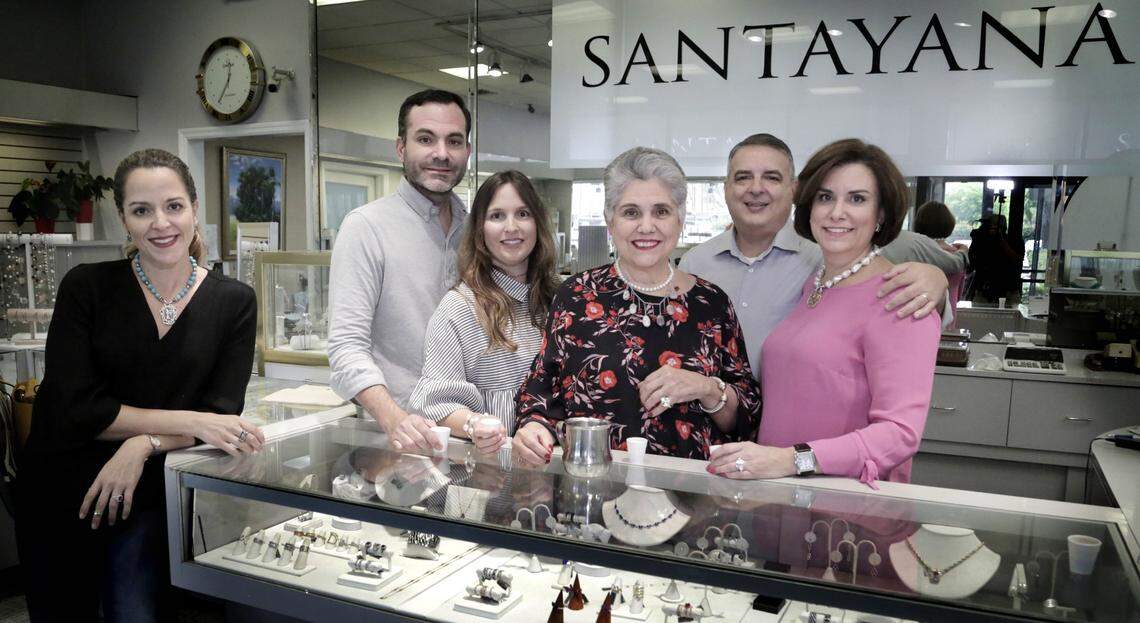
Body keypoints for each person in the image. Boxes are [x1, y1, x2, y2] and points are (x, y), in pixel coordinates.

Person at [15, 148, 264, 621]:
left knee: (138, 610)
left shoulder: (233, 301)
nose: (161, 223)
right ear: (124, 220)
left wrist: (141, 444)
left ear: (194, 208)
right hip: (61, 487)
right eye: (141, 210)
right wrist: (190, 421)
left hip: (150, 489)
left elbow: (222, 413)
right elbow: (75, 409)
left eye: (173, 206)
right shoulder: (86, 287)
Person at [709, 139, 940, 486]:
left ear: (881, 213)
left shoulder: (901, 298)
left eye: (857, 199)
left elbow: (900, 433)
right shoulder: (815, 283)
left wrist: (791, 459)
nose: (837, 212)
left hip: (844, 513)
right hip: (782, 491)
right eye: (826, 197)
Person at [513, 147, 761, 465]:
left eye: (661, 211)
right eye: (631, 212)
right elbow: (541, 384)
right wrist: (534, 427)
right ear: (610, 220)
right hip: (592, 491)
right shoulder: (576, 296)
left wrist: (707, 388)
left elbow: (747, 417)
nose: (646, 226)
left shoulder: (711, 304)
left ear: (680, 219)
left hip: (688, 498)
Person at [680, 134, 951, 377]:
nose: (755, 188)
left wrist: (936, 281)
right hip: (715, 421)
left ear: (795, 189)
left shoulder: (826, 260)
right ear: (727, 188)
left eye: (772, 177)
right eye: (743, 177)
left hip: (801, 423)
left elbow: (892, 298)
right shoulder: (695, 264)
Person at [328, 89, 471, 453]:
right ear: (401, 148)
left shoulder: (478, 231)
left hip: (467, 435)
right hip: (390, 440)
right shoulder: (366, 227)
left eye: (454, 141)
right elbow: (346, 348)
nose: (441, 153)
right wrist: (394, 419)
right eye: (426, 139)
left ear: (467, 151)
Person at [409, 171, 560, 454]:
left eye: (523, 213)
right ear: (479, 229)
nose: (511, 227)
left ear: (538, 223)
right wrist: (475, 423)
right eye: (497, 216)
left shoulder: (558, 300)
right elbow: (434, 402)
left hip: (552, 473)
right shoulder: (459, 309)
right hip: (488, 474)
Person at [913, 200, 968, 317]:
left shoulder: (916, 253)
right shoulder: (958, 256)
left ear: (919, 223)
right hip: (949, 317)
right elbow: (959, 295)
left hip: (918, 316)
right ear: (949, 223)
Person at [967, 213, 1024, 305]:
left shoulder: (1013, 239)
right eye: (991, 226)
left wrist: (1002, 241)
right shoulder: (981, 239)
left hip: (1008, 288)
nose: (993, 229)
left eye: (996, 226)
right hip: (983, 287)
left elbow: (1018, 259)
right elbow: (972, 260)